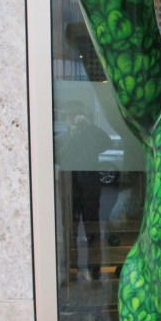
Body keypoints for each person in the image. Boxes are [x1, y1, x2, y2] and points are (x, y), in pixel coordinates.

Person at [55, 114, 112, 280]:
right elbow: (57, 158)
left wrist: (91, 126)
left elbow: (106, 142)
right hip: (70, 187)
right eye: (73, 119)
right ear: (68, 121)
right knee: (69, 229)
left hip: (90, 188)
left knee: (92, 229)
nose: (77, 125)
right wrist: (71, 137)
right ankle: (70, 268)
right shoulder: (62, 138)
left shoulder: (90, 136)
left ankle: (95, 268)